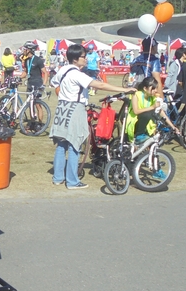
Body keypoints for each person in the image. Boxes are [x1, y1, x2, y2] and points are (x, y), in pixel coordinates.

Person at [50, 44, 135, 189]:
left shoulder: (63, 69)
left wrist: (64, 96)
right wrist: (125, 89)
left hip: (62, 108)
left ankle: (58, 177)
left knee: (61, 143)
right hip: (75, 108)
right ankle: (72, 181)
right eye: (83, 56)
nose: (86, 58)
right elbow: (100, 85)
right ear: (76, 59)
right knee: (74, 144)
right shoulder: (77, 74)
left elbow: (54, 83)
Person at [126, 77, 180, 151]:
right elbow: (136, 111)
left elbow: (161, 112)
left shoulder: (153, 98)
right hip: (134, 123)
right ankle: (139, 136)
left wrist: (173, 127)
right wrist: (152, 107)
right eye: (153, 88)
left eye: (156, 88)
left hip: (146, 124)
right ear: (145, 89)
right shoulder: (136, 95)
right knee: (149, 113)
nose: (156, 91)